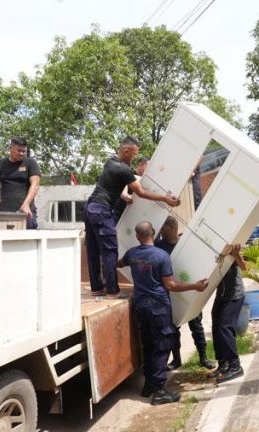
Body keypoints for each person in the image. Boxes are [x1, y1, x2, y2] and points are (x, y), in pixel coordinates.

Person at [118, 221, 207, 405]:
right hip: (158, 308)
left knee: (148, 346)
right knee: (162, 347)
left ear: (137, 237)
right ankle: (159, 391)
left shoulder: (132, 253)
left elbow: (118, 263)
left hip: (141, 306)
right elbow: (170, 285)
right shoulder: (161, 255)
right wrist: (195, 286)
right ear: (153, 232)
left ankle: (148, 386)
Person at [85, 136, 179, 298]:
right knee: (110, 251)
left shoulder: (111, 162)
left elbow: (119, 183)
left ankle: (97, 288)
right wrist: (164, 198)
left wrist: (123, 195)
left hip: (90, 207)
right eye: (134, 154)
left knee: (93, 250)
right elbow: (140, 192)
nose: (135, 157)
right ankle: (113, 290)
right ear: (126, 150)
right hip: (102, 210)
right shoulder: (123, 169)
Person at [155, 216, 215, 371]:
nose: (161, 231)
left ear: (172, 228)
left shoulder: (186, 245)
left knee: (196, 326)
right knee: (174, 329)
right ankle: (176, 360)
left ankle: (203, 357)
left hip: (189, 290)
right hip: (170, 293)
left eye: (164, 228)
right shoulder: (158, 247)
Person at [208, 244, 247, 383]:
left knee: (225, 327)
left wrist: (235, 255)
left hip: (234, 295)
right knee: (216, 326)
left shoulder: (231, 247)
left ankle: (235, 365)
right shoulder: (212, 248)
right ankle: (223, 364)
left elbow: (244, 267)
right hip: (222, 294)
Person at [0, 137, 41, 229]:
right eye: (19, 150)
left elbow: (35, 185)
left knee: (27, 241)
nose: (21, 153)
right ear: (10, 148)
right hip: (5, 212)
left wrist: (26, 204)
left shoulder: (30, 163)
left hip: (26, 212)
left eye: (24, 151)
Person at [113, 156, 149, 221]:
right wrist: (125, 196)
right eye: (147, 166)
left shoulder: (146, 181)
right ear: (140, 165)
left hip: (133, 216)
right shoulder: (129, 174)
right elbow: (123, 191)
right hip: (119, 213)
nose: (149, 169)